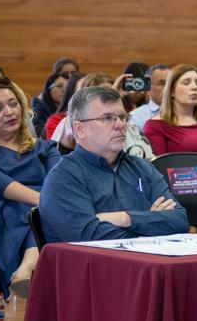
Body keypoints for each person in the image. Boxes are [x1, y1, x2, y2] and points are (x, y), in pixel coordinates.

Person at [38, 85, 188, 242]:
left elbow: (180, 221)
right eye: (107, 118)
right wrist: (151, 219)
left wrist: (125, 218)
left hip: (150, 256)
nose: (120, 125)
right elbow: (91, 237)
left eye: (122, 117)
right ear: (80, 129)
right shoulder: (64, 178)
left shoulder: (143, 167)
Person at [0, 78, 60, 298]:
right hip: (6, 214)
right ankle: (29, 266)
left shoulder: (45, 148)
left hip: (46, 210)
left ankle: (27, 268)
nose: (9, 112)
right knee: (26, 209)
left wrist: (49, 202)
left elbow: (59, 180)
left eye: (13, 104)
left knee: (40, 212)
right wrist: (46, 201)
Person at [52, 73, 154, 160]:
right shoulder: (73, 122)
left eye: (110, 94)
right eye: (102, 95)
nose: (120, 124)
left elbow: (150, 161)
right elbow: (75, 125)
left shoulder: (130, 127)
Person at [129, 64, 171, 132]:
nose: (168, 88)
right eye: (162, 83)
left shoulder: (184, 112)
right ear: (148, 87)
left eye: (170, 83)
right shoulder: (136, 116)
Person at [31, 71, 67, 137]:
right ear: (48, 89)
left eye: (67, 87)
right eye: (59, 86)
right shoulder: (39, 104)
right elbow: (36, 129)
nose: (63, 90)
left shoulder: (70, 107)